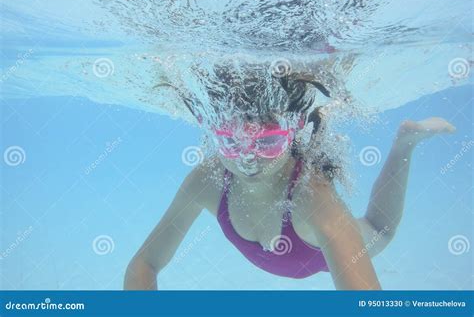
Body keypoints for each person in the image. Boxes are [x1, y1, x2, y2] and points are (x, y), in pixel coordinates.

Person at [123, 61, 456, 290]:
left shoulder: (313, 198)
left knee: (381, 230)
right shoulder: (208, 180)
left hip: (331, 249)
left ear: (292, 130)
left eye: (266, 141)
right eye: (231, 141)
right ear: (214, 133)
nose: (248, 159)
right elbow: (143, 264)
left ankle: (404, 145)